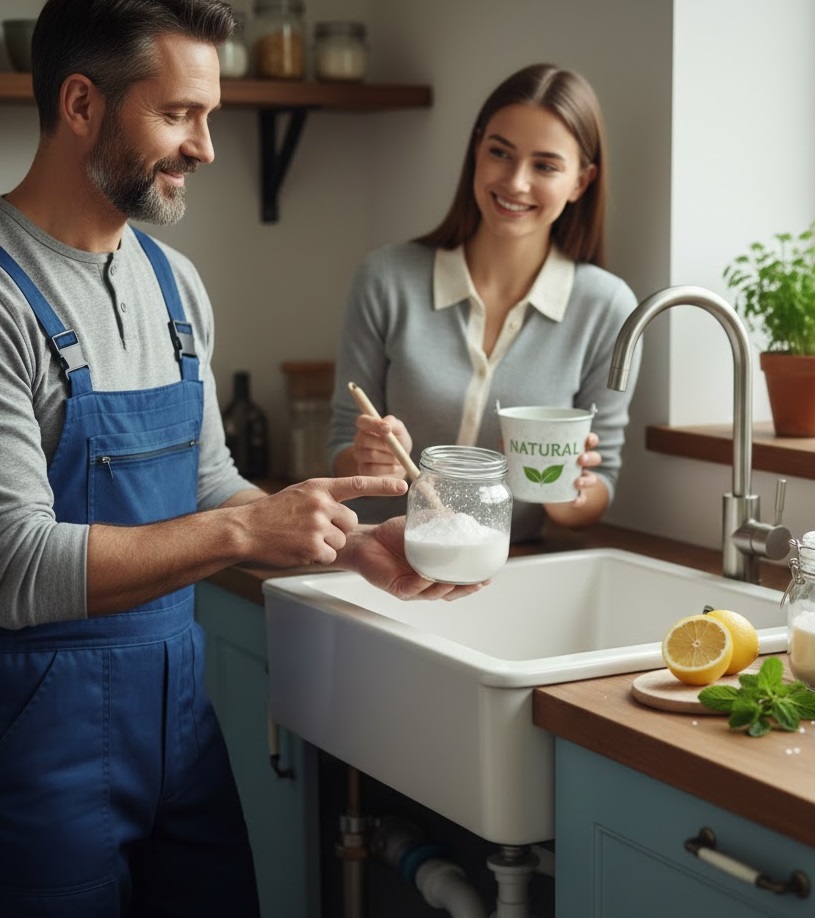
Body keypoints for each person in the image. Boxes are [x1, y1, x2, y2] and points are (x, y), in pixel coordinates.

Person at [0, 2, 482, 915]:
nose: (206, 147)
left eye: (211, 115)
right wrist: (246, 530)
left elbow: (210, 483)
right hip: (36, 745)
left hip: (180, 730)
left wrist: (347, 545)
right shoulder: (5, 296)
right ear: (81, 104)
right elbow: (15, 564)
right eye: (178, 114)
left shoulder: (175, 284)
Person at [329, 63, 641, 543]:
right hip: (379, 553)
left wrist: (568, 486)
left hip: (507, 563)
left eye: (545, 166)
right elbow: (340, 447)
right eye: (500, 153)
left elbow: (602, 484)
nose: (516, 182)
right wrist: (369, 458)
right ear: (477, 149)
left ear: (581, 181)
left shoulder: (607, 307)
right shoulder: (386, 279)